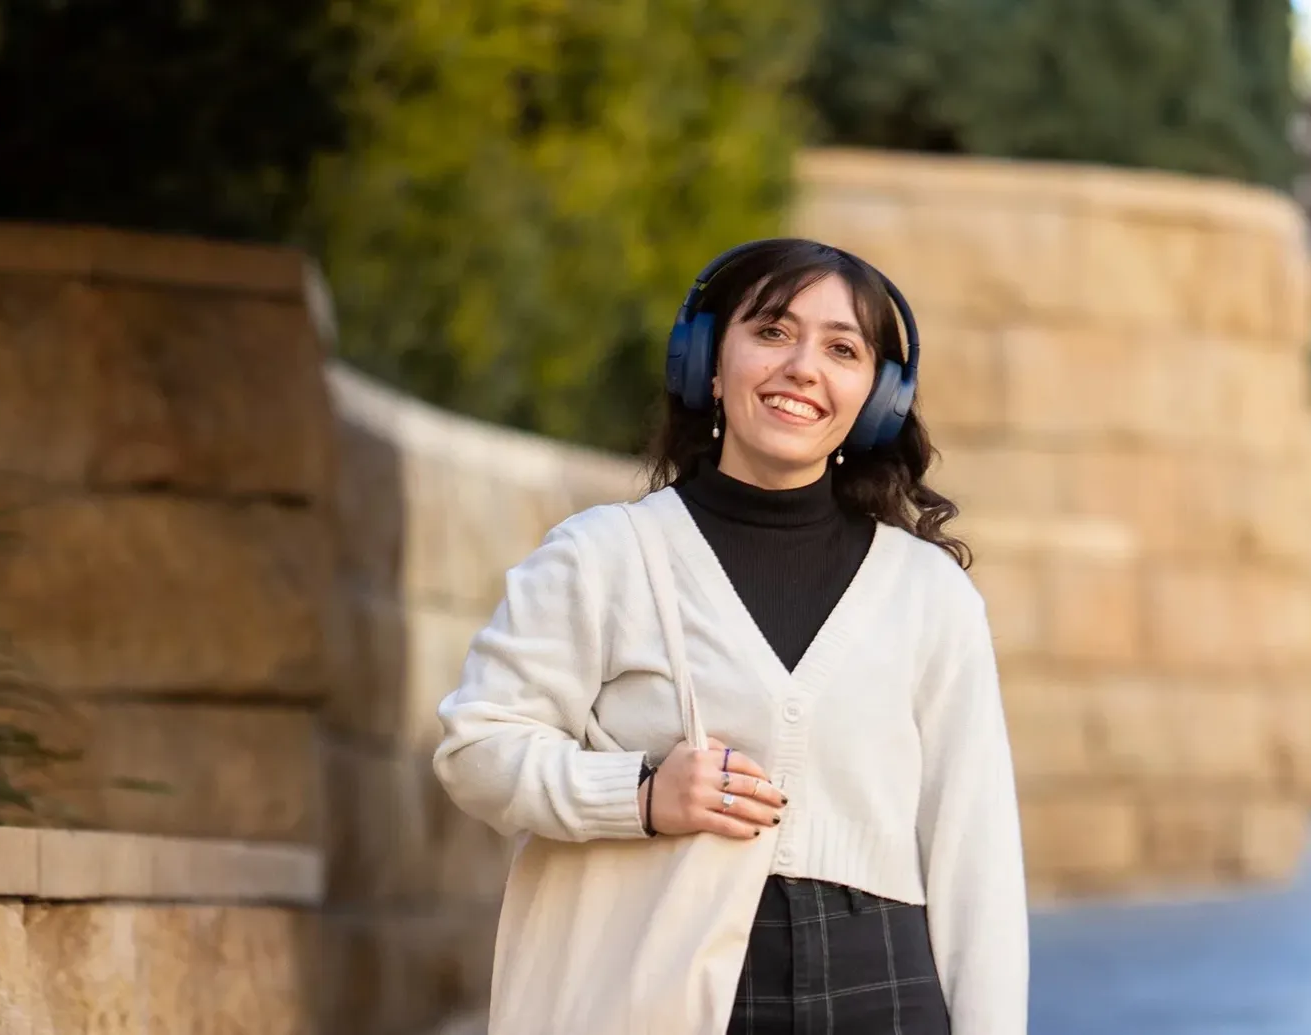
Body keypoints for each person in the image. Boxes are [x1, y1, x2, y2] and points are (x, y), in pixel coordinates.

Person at [434, 238, 1028, 1033]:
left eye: (842, 349)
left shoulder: (930, 595)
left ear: (876, 397)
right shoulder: (603, 556)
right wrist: (640, 795)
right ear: (708, 366)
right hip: (660, 988)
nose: (803, 368)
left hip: (884, 995)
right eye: (773, 332)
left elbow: (976, 862)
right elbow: (474, 750)